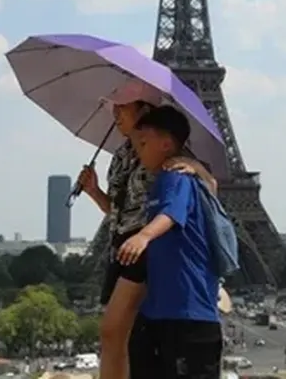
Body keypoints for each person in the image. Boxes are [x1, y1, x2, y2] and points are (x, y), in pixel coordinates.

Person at [75, 80, 217, 379]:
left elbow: (203, 189)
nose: (115, 114)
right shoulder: (120, 157)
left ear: (144, 110)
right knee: (125, 337)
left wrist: (199, 169)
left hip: (146, 246)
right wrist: (93, 191)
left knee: (113, 331)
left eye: (122, 107)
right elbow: (118, 211)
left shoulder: (165, 153)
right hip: (124, 245)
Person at [121, 105, 225, 379]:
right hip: (164, 314)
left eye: (143, 143)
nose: (138, 150)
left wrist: (143, 236)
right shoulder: (167, 181)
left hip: (185, 316)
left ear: (167, 144)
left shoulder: (176, 177)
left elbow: (172, 214)